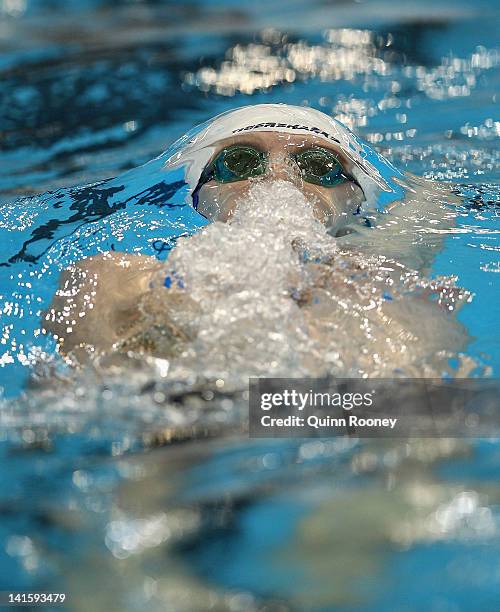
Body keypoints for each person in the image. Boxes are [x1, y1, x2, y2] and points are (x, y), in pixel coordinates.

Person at [42, 104, 469, 376]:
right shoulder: (117, 281)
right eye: (239, 162)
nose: (278, 177)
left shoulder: (384, 294)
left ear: (356, 203)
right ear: (196, 195)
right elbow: (75, 400)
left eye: (319, 167)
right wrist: (162, 319)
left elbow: (424, 420)